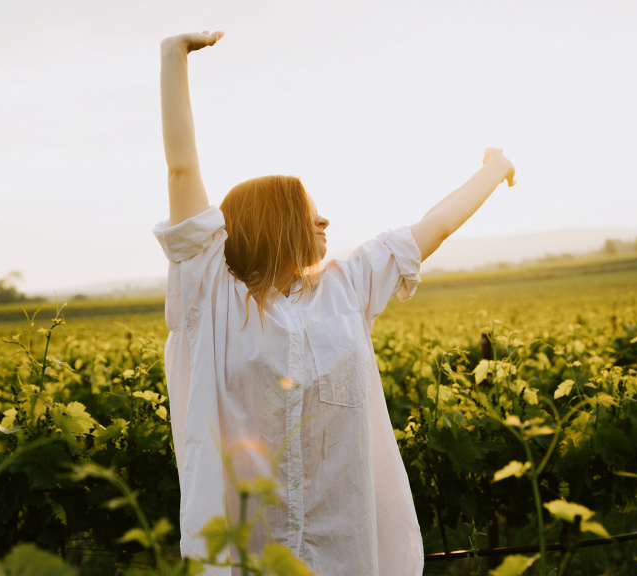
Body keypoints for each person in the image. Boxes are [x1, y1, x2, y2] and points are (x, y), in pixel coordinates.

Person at [153, 30, 516, 576]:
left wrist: (493, 167)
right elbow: (182, 169)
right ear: (272, 222)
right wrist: (173, 56)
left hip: (346, 553)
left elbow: (433, 228)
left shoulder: (345, 288)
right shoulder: (209, 296)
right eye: (308, 211)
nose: (324, 222)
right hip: (251, 557)